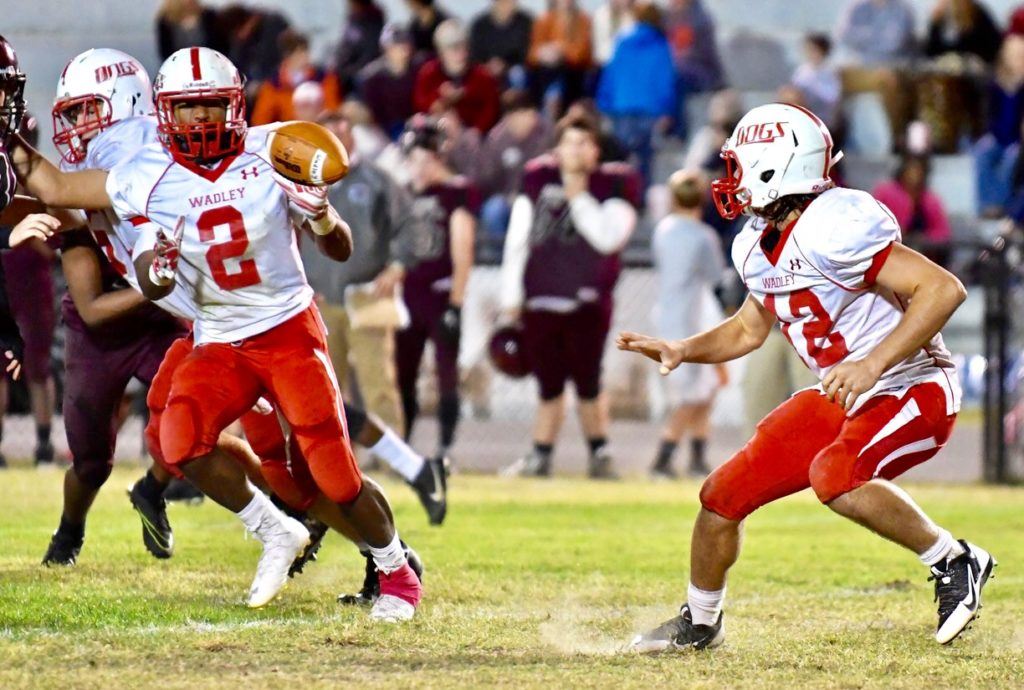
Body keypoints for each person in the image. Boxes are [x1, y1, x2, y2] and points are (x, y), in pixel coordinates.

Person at [22, 47, 423, 622]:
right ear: (163, 113)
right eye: (187, 110)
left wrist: (323, 215)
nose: (200, 121)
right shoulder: (143, 173)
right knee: (180, 436)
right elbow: (67, 199)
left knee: (325, 469)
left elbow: (339, 244)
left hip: (283, 327)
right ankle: (278, 530)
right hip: (215, 335)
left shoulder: (273, 148)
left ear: (235, 106)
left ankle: (395, 566)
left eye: (212, 107)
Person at [620, 102, 994, 651]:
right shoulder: (755, 241)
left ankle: (956, 560)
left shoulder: (833, 225)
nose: (732, 180)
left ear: (775, 170)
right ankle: (701, 622)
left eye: (741, 166)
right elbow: (748, 330)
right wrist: (684, 349)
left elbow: (943, 289)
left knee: (834, 474)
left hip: (913, 384)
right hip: (845, 393)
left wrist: (872, 362)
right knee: (721, 496)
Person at [303, 110, 449, 523]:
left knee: (376, 380)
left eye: (341, 133)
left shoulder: (376, 181)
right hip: (319, 299)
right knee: (327, 386)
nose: (335, 140)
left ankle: (395, 459)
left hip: (366, 296)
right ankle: (338, 460)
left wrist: (397, 267)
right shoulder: (305, 182)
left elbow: (409, 226)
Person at [499, 112, 640, 479]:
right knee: (548, 385)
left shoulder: (612, 184)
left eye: (584, 142)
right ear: (556, 149)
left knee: (588, 381)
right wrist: (510, 294)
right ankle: (540, 455)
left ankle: (600, 453)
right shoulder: (537, 178)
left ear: (596, 151)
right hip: (541, 296)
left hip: (586, 300)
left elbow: (608, 238)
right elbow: (518, 237)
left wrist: (579, 199)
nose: (576, 150)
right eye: (569, 142)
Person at [0, 36, 66, 470]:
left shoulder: (11, 147)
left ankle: (43, 443)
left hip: (25, 270)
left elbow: (56, 193)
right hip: (11, 262)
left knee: (34, 361)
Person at [395, 115, 478, 460]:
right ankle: (403, 445)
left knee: (445, 373)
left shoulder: (456, 191)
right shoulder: (403, 192)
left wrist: (456, 303)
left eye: (425, 159)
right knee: (402, 373)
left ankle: (445, 447)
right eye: (413, 159)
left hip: (440, 292)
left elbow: (463, 248)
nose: (419, 168)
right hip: (408, 293)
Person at [649, 170, 726, 479]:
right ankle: (663, 458)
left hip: (667, 314)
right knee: (693, 395)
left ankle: (697, 455)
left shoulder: (662, 230)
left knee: (706, 391)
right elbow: (715, 276)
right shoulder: (702, 235)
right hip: (691, 320)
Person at [596, 1, 676, 188]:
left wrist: (604, 103)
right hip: (650, 110)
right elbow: (665, 81)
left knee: (620, 158)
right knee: (645, 160)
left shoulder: (622, 42)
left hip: (621, 108)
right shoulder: (660, 45)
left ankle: (620, 195)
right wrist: (667, 110)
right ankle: (640, 197)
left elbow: (610, 75)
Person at [835, 0, 917, 148]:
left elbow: (894, 44)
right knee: (833, 79)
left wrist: (866, 36)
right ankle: (835, 134)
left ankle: (896, 139)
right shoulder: (857, 8)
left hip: (893, 68)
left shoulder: (902, 11)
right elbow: (845, 37)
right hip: (862, 69)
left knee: (887, 79)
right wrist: (877, 36)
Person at [477, 89, 554, 245]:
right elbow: (487, 179)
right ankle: (499, 258)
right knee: (493, 210)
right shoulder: (497, 139)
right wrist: (508, 195)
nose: (518, 122)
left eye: (524, 114)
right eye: (512, 117)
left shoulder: (549, 135)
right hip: (508, 197)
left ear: (533, 114)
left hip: (542, 197)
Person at [413, 19, 501, 134]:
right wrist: (441, 97)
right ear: (441, 52)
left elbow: (491, 109)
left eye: (463, 47)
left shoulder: (482, 76)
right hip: (438, 134)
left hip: (474, 137)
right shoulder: (428, 73)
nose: (460, 54)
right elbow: (420, 107)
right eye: (453, 48)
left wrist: (476, 130)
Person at [973, 34, 1024, 217]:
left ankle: (1002, 205)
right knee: (982, 151)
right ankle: (986, 204)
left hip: (1017, 140)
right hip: (998, 135)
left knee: (1011, 158)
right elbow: (990, 116)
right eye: (1015, 56)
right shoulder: (995, 85)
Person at [872, 154, 952, 267]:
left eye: (918, 170)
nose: (914, 174)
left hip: (923, 254)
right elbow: (873, 220)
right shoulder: (885, 192)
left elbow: (943, 233)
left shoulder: (931, 199)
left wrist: (924, 238)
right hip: (889, 250)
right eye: (911, 169)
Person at [250, 30, 343, 126]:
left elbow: (332, 111)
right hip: (288, 134)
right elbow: (260, 121)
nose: (305, 57)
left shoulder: (324, 79)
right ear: (287, 57)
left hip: (320, 130)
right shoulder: (273, 86)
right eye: (299, 53)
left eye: (306, 51)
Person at [527, 0, 593, 116]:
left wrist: (561, 50)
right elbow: (532, 55)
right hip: (547, 71)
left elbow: (583, 54)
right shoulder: (544, 20)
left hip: (574, 72)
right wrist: (544, 53)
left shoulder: (583, 20)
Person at [358, 23, 421, 140]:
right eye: (397, 44)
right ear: (386, 49)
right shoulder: (371, 76)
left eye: (405, 43)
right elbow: (371, 113)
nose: (404, 48)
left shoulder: (419, 68)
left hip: (415, 123)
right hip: (384, 129)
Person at [468, 0, 534, 85]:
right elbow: (474, 54)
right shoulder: (480, 25)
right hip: (487, 68)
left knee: (518, 73)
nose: (508, 5)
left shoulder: (526, 22)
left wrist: (506, 65)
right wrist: (489, 65)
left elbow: (528, 52)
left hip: (514, 70)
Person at [925, 0, 1001, 65]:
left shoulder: (977, 13)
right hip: (944, 72)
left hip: (973, 72)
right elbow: (930, 53)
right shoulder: (940, 17)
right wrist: (935, 23)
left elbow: (993, 48)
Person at [334, 0, 386, 93]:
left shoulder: (373, 21)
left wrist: (348, 72)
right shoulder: (352, 19)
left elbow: (370, 54)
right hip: (344, 71)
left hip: (360, 74)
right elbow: (344, 47)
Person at [791, 34, 842, 129]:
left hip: (821, 118)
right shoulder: (802, 70)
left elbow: (832, 98)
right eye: (808, 50)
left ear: (822, 51)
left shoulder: (829, 72)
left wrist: (811, 89)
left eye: (813, 50)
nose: (809, 53)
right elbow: (794, 89)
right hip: (801, 113)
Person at [156, 0, 227, 60]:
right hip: (179, 69)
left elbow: (221, 47)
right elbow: (165, 53)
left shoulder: (209, 16)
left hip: (209, 66)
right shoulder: (166, 21)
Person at [592, 0, 635, 67]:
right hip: (603, 63)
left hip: (625, 63)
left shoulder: (633, 17)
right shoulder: (600, 15)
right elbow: (597, 45)